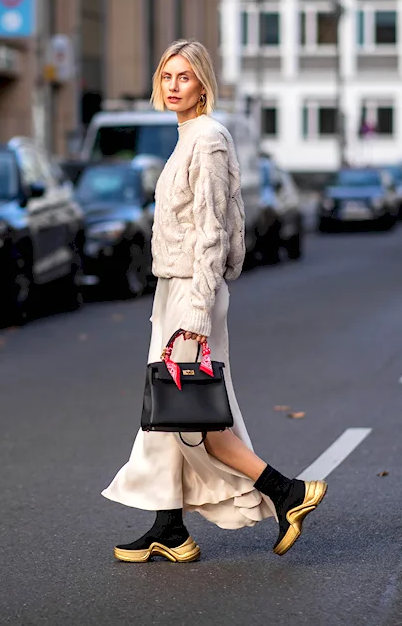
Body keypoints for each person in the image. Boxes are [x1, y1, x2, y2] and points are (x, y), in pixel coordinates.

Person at [101, 39, 328, 563]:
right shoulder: (188, 138)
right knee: (170, 414)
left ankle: (287, 491)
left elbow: (211, 230)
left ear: (203, 82)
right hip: (176, 287)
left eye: (183, 76)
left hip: (191, 291)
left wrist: (197, 313)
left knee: (195, 415)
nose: (173, 85)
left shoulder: (207, 139)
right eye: (166, 76)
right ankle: (169, 529)